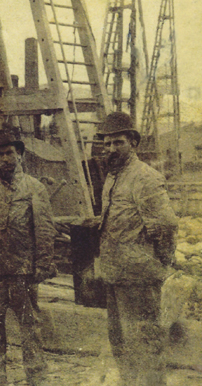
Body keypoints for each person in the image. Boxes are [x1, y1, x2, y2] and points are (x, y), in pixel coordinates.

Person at [95, 113, 178, 385]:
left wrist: (159, 264)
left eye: (118, 143)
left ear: (133, 143)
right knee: (120, 342)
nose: (111, 149)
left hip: (139, 278)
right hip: (115, 274)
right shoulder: (114, 176)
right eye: (107, 144)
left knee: (146, 344)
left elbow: (166, 225)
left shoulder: (145, 177)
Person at [0, 130, 56, 386]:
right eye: (0, 155)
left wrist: (42, 264)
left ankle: (36, 378)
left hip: (23, 270)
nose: (5, 159)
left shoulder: (34, 188)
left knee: (30, 327)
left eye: (10, 153)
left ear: (20, 155)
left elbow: (44, 229)